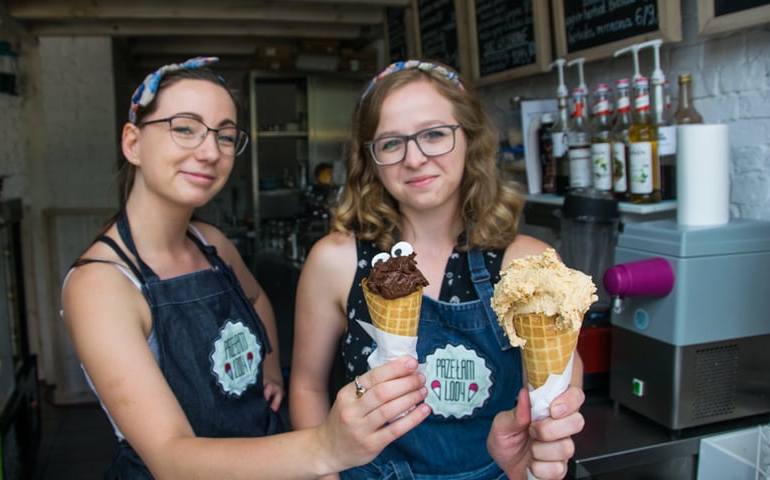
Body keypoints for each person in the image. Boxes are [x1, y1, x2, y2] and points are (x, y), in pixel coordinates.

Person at [61, 56, 431, 479]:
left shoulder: (210, 243)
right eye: (185, 128)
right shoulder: (101, 285)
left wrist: (270, 369)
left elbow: (256, 300)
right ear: (132, 143)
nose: (209, 152)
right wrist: (325, 446)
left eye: (225, 136)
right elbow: (170, 459)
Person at [289, 59, 586, 480]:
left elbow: (559, 377)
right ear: (370, 158)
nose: (414, 158)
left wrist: (557, 414)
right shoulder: (335, 261)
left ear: (470, 138)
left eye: (434, 134)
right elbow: (307, 387)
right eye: (391, 143)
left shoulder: (526, 264)